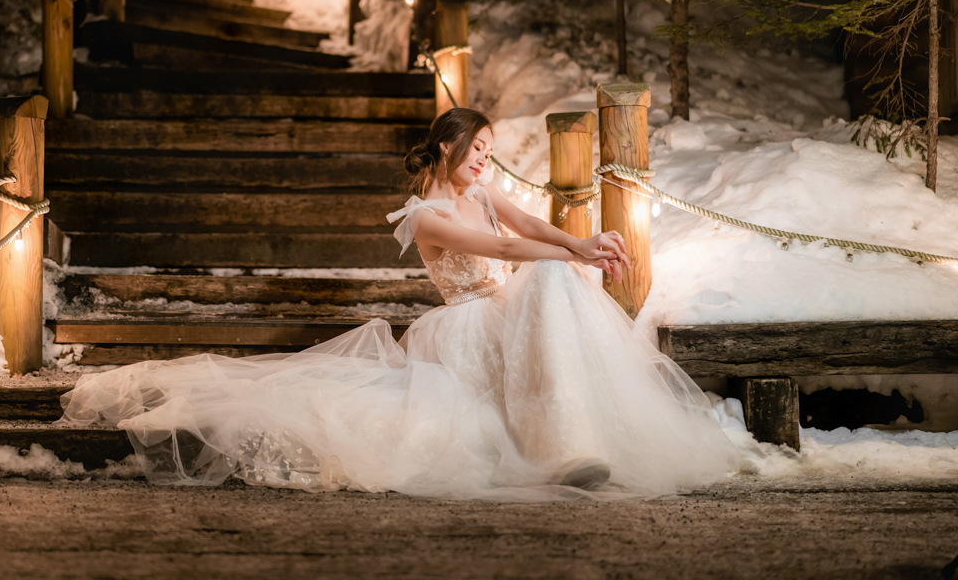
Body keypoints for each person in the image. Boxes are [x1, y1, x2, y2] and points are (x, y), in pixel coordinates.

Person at [60, 108, 741, 501]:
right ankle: (555, 449)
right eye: (477, 149)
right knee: (549, 275)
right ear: (447, 146)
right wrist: (575, 255)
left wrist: (577, 243)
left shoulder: (482, 191)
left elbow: (527, 225)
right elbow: (500, 249)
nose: (485, 160)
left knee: (554, 280)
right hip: (464, 321)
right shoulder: (424, 215)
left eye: (490, 151)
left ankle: (578, 436)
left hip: (507, 305)